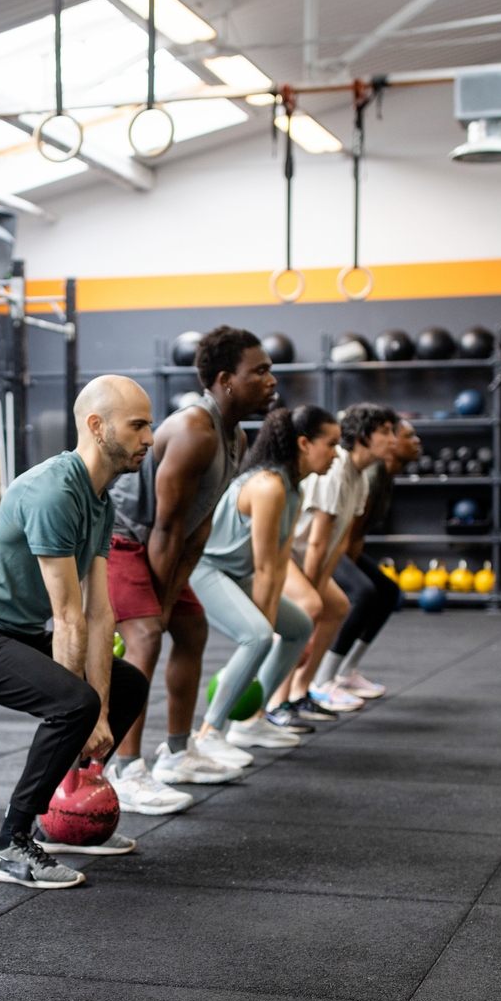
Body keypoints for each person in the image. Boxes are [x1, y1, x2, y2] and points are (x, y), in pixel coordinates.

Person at [0, 375, 156, 888]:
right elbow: (68, 615)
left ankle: (67, 818)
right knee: (72, 702)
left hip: (17, 630)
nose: (149, 438)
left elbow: (102, 613)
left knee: (128, 686)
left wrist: (101, 708)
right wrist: (86, 709)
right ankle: (8, 843)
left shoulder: (100, 500)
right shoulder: (55, 490)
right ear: (97, 427)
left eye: (149, 426)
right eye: (138, 425)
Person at [103, 325, 279, 807]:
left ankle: (178, 752)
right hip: (122, 538)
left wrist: (172, 593)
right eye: (259, 371)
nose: (271, 379)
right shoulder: (193, 431)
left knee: (193, 629)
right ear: (225, 379)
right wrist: (156, 607)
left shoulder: (235, 437)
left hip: (163, 541)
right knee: (145, 639)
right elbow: (165, 527)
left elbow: (197, 526)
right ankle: (124, 768)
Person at [188, 405, 339, 751]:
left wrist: (271, 622)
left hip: (236, 574)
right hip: (207, 570)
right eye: (330, 444)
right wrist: (265, 626)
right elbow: (266, 569)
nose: (335, 454)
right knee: (257, 637)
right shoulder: (268, 486)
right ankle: (209, 734)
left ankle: (251, 721)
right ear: (303, 443)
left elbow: (281, 564)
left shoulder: (293, 489)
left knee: (299, 626)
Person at [279, 404, 409, 714]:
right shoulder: (336, 474)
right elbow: (316, 542)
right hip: (286, 556)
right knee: (308, 611)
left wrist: (321, 588)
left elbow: (338, 545)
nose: (393, 438)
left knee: (336, 606)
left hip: (310, 558)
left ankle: (303, 691)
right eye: (385, 432)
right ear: (363, 437)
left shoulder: (360, 478)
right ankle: (278, 702)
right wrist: (310, 595)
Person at [320, 415, 420, 701]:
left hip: (344, 545)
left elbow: (360, 531)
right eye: (408, 435)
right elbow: (346, 532)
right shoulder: (372, 473)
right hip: (326, 544)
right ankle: (323, 679)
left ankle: (346, 671)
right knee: (363, 593)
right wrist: (344, 578)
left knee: (387, 591)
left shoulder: (386, 475)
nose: (416, 442)